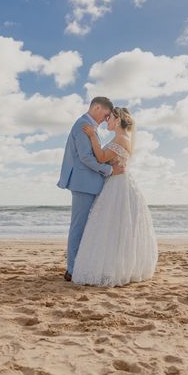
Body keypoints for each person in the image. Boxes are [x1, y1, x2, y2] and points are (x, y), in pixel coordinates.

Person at [71, 106, 158, 286]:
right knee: (111, 228)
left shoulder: (121, 138)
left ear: (118, 120)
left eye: (109, 118)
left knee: (113, 226)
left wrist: (92, 136)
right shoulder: (119, 138)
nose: (106, 121)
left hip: (118, 185)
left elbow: (102, 157)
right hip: (115, 182)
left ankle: (112, 268)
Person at [57, 96, 125, 282]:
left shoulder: (91, 128)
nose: (105, 119)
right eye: (105, 115)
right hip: (83, 183)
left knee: (89, 228)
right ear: (96, 108)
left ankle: (81, 266)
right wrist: (110, 170)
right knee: (78, 227)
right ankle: (71, 269)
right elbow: (86, 158)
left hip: (91, 183)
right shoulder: (82, 125)